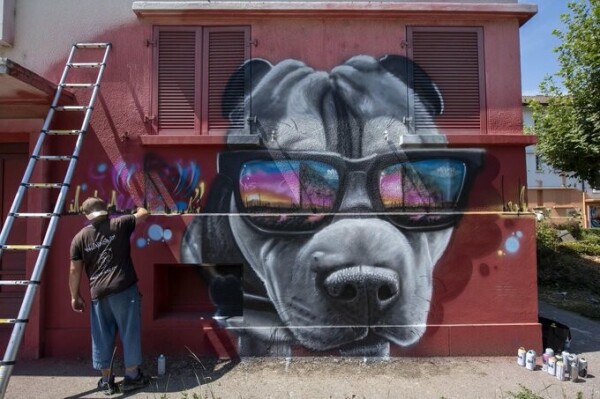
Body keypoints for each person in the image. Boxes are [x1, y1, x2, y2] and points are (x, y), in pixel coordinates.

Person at [69, 197, 150, 395]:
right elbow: (144, 214)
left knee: (101, 336)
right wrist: (138, 203)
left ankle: (106, 380)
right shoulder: (119, 224)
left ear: (87, 215)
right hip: (123, 288)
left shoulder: (79, 238)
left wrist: (75, 296)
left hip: (98, 293)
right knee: (129, 330)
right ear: (106, 210)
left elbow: (74, 270)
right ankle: (132, 376)